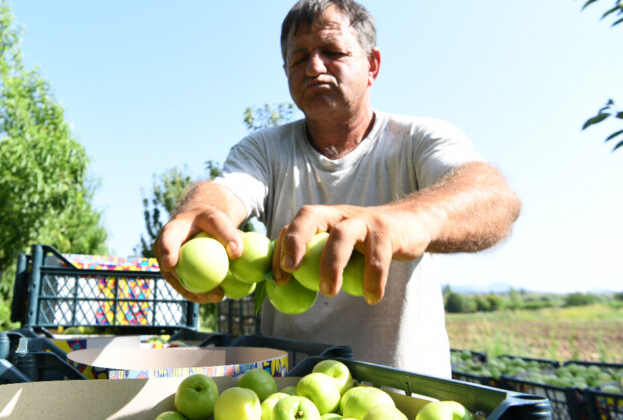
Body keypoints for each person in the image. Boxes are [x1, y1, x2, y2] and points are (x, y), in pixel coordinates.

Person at [154, 0, 520, 378]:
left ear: (372, 65)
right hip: (289, 397)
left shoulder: (419, 140)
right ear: (286, 73)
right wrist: (199, 213)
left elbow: (492, 199)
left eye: (332, 52)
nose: (314, 67)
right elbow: (225, 194)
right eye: (298, 59)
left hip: (406, 402)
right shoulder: (264, 149)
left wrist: (401, 221)